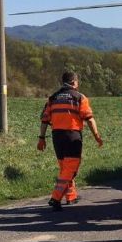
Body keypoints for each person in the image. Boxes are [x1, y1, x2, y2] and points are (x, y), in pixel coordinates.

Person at [38, 71, 103, 211]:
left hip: (57, 136)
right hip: (72, 135)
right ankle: (55, 198)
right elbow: (89, 118)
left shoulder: (53, 98)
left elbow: (44, 120)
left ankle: (71, 196)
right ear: (74, 82)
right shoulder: (80, 97)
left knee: (65, 168)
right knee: (70, 169)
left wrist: (41, 138)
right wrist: (97, 136)